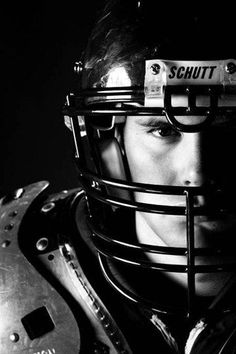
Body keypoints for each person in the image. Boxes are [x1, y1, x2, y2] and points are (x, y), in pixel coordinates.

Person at [1, 0, 236, 352]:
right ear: (112, 151)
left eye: (229, 130)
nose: (197, 173)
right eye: (163, 130)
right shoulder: (15, 270)